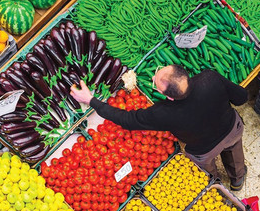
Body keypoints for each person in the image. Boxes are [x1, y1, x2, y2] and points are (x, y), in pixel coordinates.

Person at [70, 64, 248, 191]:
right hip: (231, 128)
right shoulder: (210, 78)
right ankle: (237, 180)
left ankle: (215, 185)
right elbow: (241, 97)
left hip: (204, 150)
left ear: (168, 97)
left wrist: (91, 100)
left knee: (207, 170)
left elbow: (126, 120)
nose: (153, 77)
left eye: (156, 79)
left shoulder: (163, 113)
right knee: (234, 150)